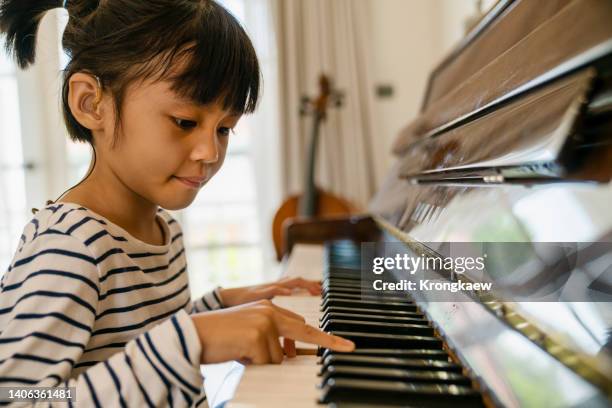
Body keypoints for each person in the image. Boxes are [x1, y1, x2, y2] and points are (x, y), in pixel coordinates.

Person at [0, 0, 355, 406]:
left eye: (225, 129)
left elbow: (135, 340)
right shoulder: (69, 247)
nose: (209, 151)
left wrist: (216, 308)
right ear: (91, 103)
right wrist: (193, 338)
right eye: (185, 122)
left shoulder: (161, 229)